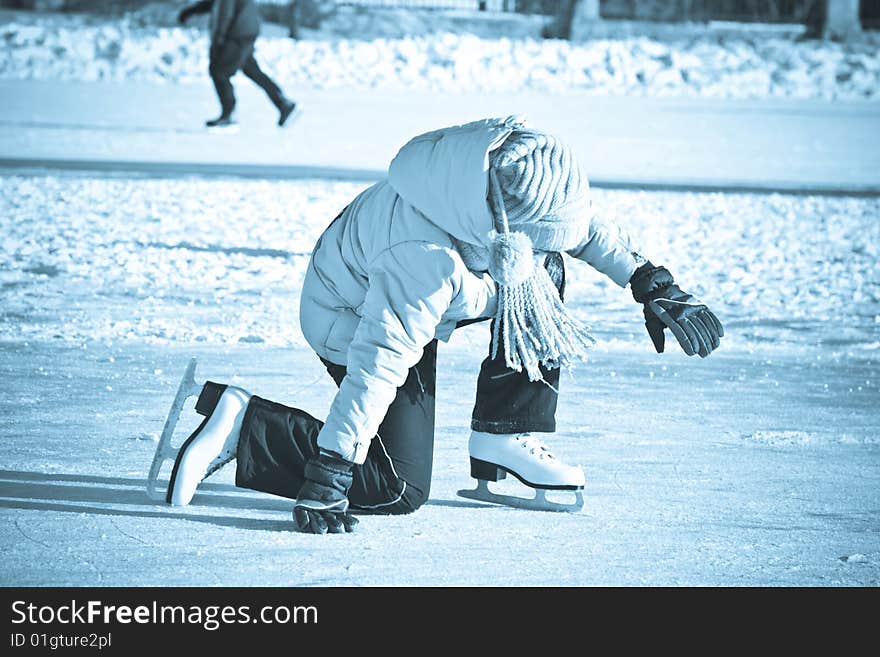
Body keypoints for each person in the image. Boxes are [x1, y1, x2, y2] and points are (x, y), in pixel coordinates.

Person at [159, 116, 723, 534]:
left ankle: (503, 434)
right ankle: (246, 426)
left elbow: (578, 228)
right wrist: (331, 467)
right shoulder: (423, 258)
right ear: (502, 227)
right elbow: (378, 363)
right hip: (351, 318)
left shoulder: (505, 171)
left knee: (541, 274)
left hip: (423, 294)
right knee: (397, 488)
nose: (557, 240)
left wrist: (649, 281)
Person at [178, 0, 298, 129]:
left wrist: (219, 39)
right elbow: (215, 3)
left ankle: (229, 115)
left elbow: (225, 12)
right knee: (251, 70)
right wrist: (190, 12)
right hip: (245, 30)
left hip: (237, 34)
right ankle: (283, 103)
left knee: (219, 72)